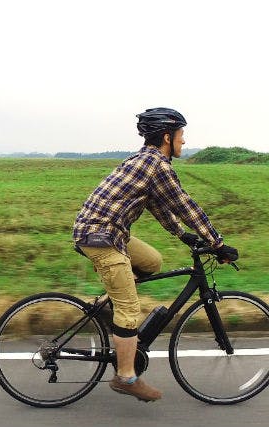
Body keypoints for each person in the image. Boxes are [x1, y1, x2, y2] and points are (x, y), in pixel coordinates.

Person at [72, 108, 238, 402]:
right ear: (166, 136)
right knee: (129, 309)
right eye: (181, 136)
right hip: (100, 236)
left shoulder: (144, 161)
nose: (183, 142)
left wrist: (182, 234)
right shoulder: (157, 165)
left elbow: (158, 205)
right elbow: (184, 204)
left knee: (152, 262)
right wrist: (217, 243)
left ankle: (110, 302)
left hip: (109, 232)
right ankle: (126, 377)